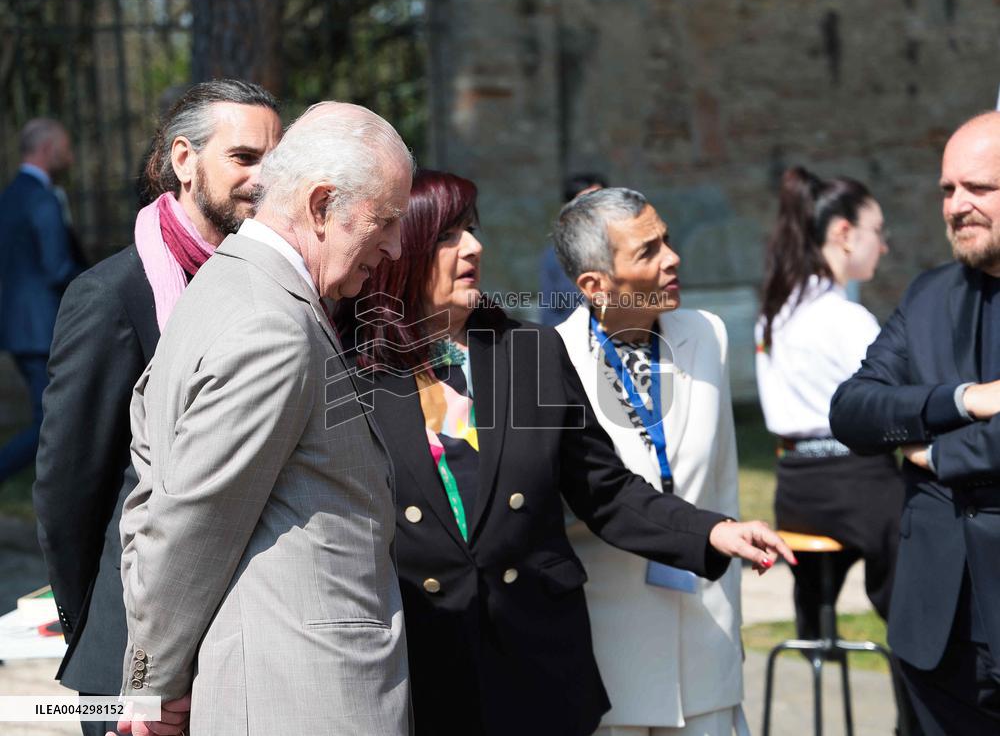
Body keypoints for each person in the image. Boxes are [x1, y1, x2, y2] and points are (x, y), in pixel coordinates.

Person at [336, 169, 793, 736]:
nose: (474, 246)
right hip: (418, 667)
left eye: (473, 229)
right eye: (448, 236)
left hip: (534, 664)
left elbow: (604, 487)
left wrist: (710, 531)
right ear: (400, 253)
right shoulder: (351, 370)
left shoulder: (527, 351)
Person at [116, 100, 412, 736]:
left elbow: (151, 501)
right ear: (321, 204)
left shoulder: (227, 291)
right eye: (385, 221)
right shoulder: (270, 325)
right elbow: (189, 521)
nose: (393, 246)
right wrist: (148, 686)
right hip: (302, 701)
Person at [30, 79, 280, 736]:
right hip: (132, 663)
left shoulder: (273, 289)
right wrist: (100, 632)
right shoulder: (112, 296)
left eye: (275, 162)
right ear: (183, 159)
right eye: (245, 157)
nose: (263, 178)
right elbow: (68, 490)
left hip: (243, 643)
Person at [552, 187, 747, 735]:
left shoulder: (708, 335)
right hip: (611, 652)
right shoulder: (548, 362)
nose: (672, 258)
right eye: (648, 251)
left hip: (707, 638)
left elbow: (723, 482)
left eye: (667, 239)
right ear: (595, 285)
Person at [831, 112, 1000, 735]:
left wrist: (938, 456)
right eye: (947, 191)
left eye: (979, 188)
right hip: (936, 624)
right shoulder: (929, 295)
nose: (957, 206)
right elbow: (852, 410)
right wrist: (963, 400)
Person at [754, 166, 903, 644]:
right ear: (843, 233)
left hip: (795, 491)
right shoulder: (847, 319)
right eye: (876, 232)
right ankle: (920, 705)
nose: (883, 246)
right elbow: (892, 407)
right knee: (925, 575)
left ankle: (815, 630)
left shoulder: (775, 312)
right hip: (856, 484)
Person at [0, 119, 82, 486]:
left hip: (18, 328)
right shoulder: (43, 199)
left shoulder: (9, 196)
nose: (70, 156)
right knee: (55, 421)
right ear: (48, 149)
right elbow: (56, 267)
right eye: (66, 148)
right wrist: (96, 281)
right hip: (43, 326)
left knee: (51, 417)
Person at [539, 171, 607, 325]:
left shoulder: (626, 248)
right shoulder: (555, 256)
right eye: (586, 203)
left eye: (600, 201)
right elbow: (550, 311)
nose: (595, 210)